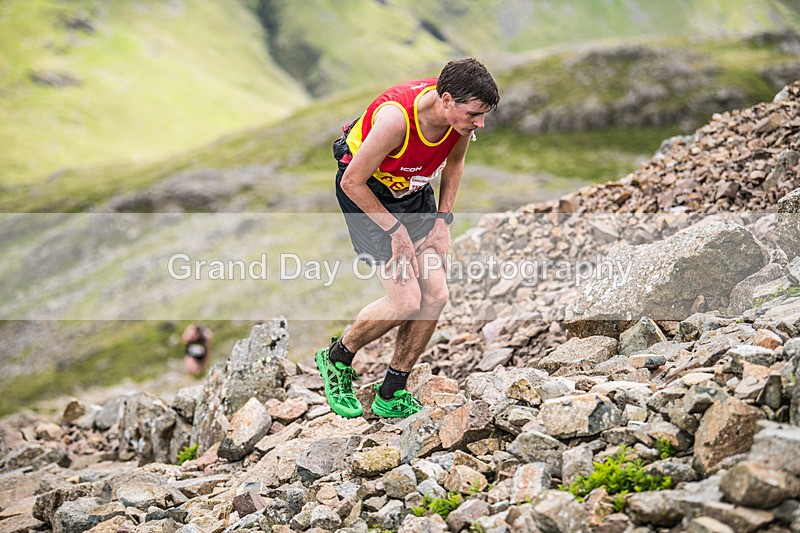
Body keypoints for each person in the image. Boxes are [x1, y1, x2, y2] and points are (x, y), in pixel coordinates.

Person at [316, 58, 499, 419]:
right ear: (446, 100)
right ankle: (337, 358)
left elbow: (455, 163)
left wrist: (443, 221)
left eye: (483, 115)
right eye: (475, 114)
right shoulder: (396, 121)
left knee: (436, 295)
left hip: (413, 194)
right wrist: (395, 231)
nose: (480, 123)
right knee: (405, 302)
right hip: (369, 196)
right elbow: (352, 182)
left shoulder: (457, 120)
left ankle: (391, 391)